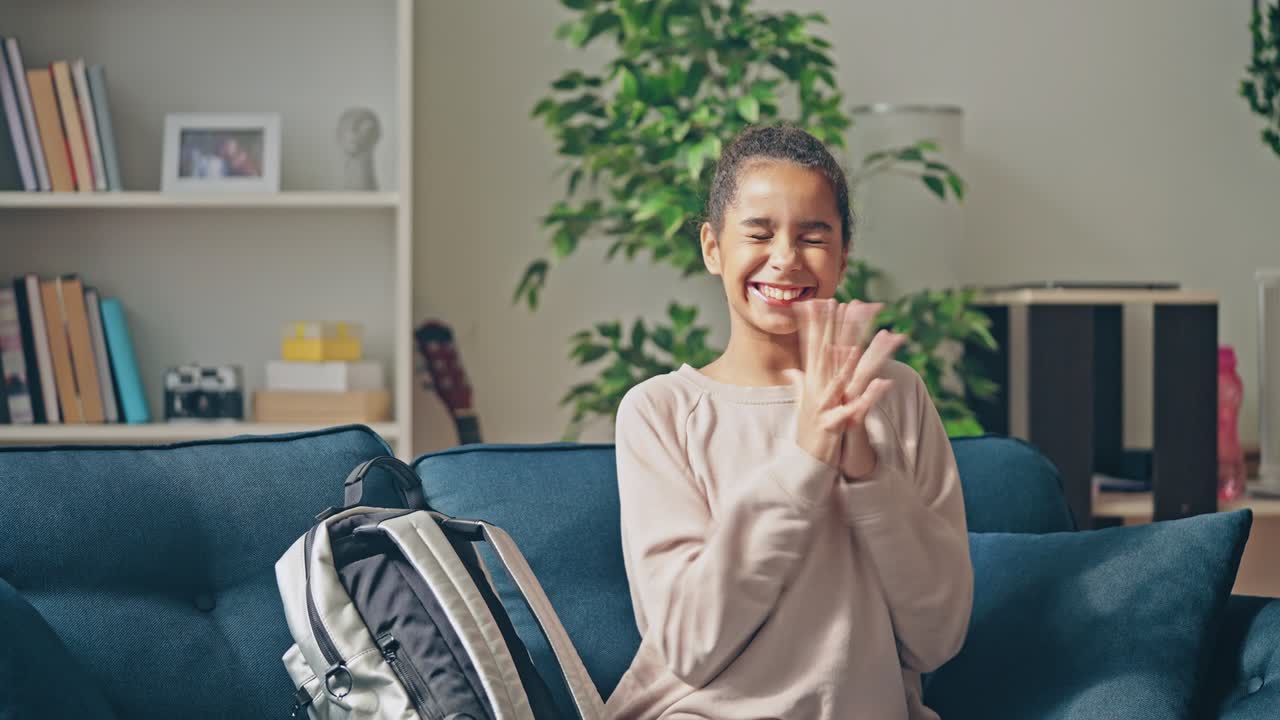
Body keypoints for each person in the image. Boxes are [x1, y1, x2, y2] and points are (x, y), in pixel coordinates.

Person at [606, 124, 974, 719]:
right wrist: (806, 458)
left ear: (843, 255)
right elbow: (687, 645)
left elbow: (937, 638)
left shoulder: (897, 395)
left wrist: (866, 471)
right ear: (712, 247)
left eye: (813, 236)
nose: (785, 259)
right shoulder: (659, 411)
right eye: (758, 232)